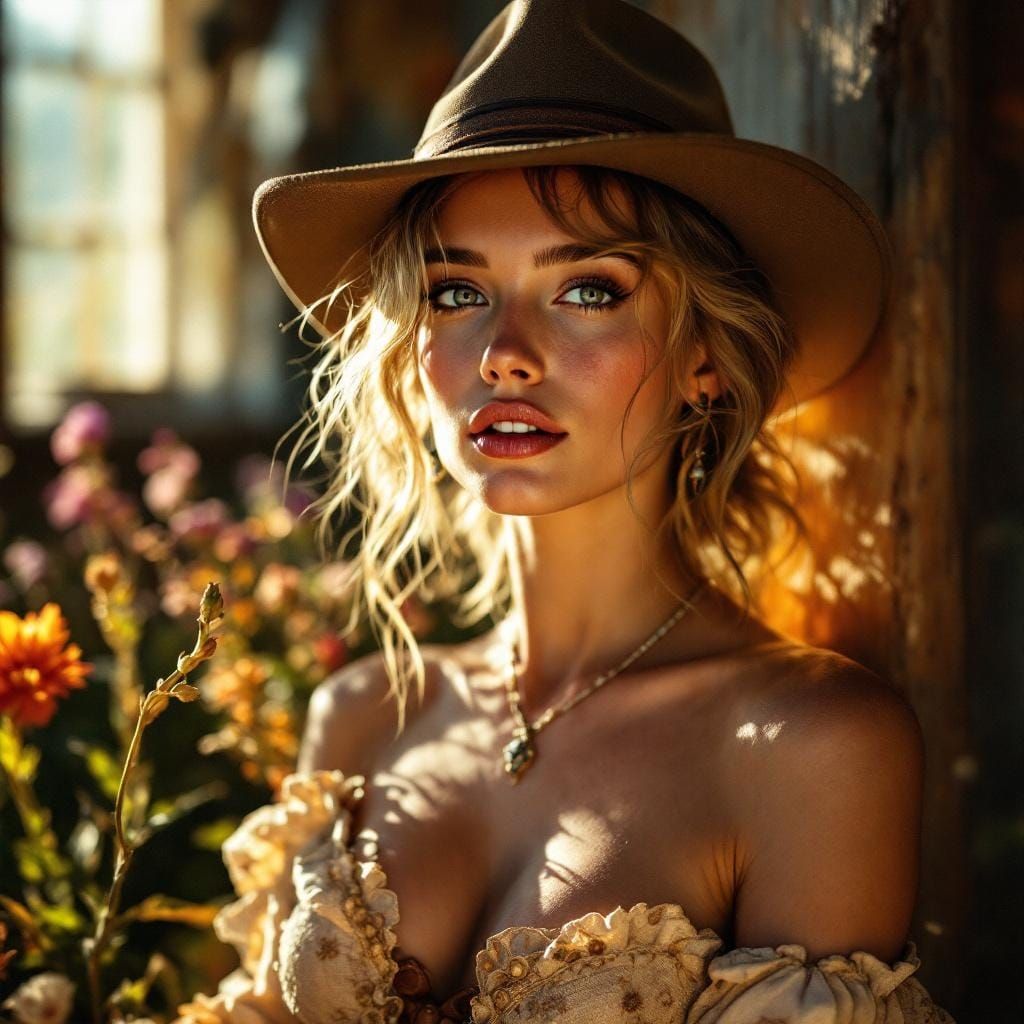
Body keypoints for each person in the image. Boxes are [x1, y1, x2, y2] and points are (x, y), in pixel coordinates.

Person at [176, 1, 957, 1022]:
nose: (505, 350)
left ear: (704, 359)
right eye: (457, 292)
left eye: (587, 288)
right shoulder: (365, 715)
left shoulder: (810, 745)